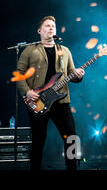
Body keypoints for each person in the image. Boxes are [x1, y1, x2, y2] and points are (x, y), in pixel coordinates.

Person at [15, 16, 85, 170]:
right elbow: (19, 74)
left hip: (61, 102)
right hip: (38, 101)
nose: (51, 28)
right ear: (40, 31)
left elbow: (71, 74)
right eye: (47, 26)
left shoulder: (65, 51)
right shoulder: (29, 50)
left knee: (72, 138)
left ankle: (72, 168)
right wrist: (27, 92)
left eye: (53, 25)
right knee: (38, 141)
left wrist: (79, 76)